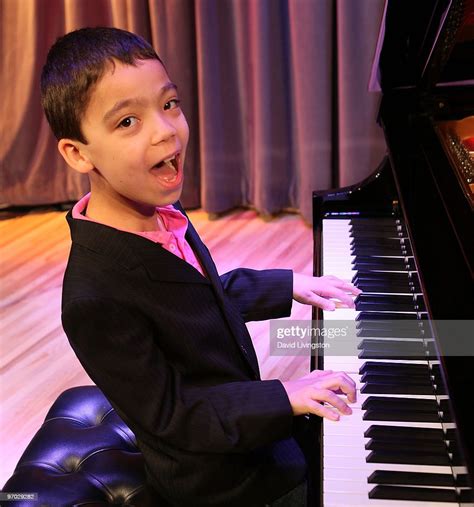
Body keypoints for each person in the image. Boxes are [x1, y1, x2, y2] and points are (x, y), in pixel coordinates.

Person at [40, 27, 359, 507]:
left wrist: (289, 283)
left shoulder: (162, 214)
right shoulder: (93, 296)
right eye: (127, 121)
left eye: (168, 104)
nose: (166, 129)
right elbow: (174, 415)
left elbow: (197, 295)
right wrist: (283, 395)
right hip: (225, 480)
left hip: (247, 426)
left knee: (373, 355)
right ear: (77, 152)